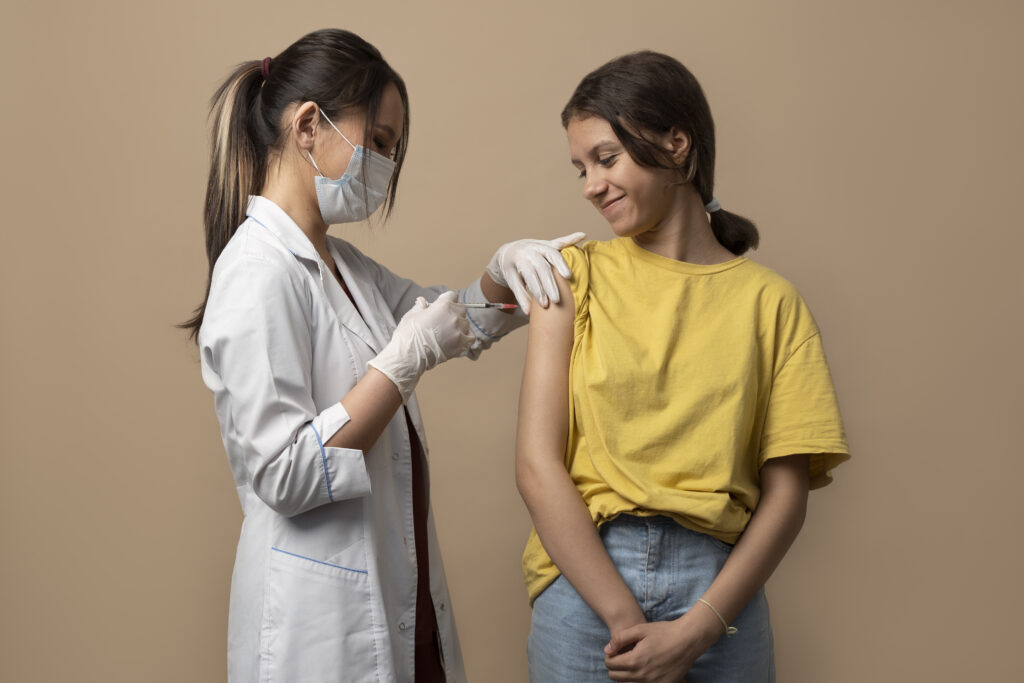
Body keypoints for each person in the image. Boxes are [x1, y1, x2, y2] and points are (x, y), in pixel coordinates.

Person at [182, 29, 583, 683]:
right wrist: (400, 367)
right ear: (309, 124)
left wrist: (503, 272)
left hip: (395, 594)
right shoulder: (258, 270)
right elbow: (282, 473)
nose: (387, 167)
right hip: (322, 624)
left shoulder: (342, 267)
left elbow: (450, 318)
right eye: (381, 143)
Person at [516, 51, 850, 682]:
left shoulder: (770, 302)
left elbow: (787, 492)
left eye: (606, 158)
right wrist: (621, 617)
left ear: (676, 144)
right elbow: (536, 466)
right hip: (585, 586)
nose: (590, 184)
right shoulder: (570, 275)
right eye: (580, 167)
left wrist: (700, 627)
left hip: (720, 594)